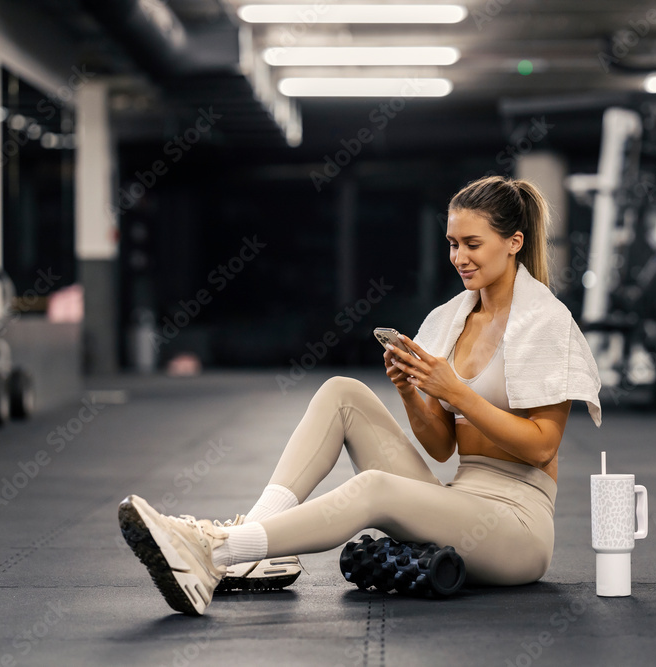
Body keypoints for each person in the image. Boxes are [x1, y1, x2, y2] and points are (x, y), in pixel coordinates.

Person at [118, 175, 603, 616]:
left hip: (516, 528)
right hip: (459, 500)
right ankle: (251, 546)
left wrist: (455, 391)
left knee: (374, 489)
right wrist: (412, 392)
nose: (459, 257)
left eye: (473, 244)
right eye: (453, 243)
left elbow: (542, 446)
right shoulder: (451, 319)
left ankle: (215, 550)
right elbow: (441, 447)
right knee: (342, 393)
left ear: (513, 242)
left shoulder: (544, 321)